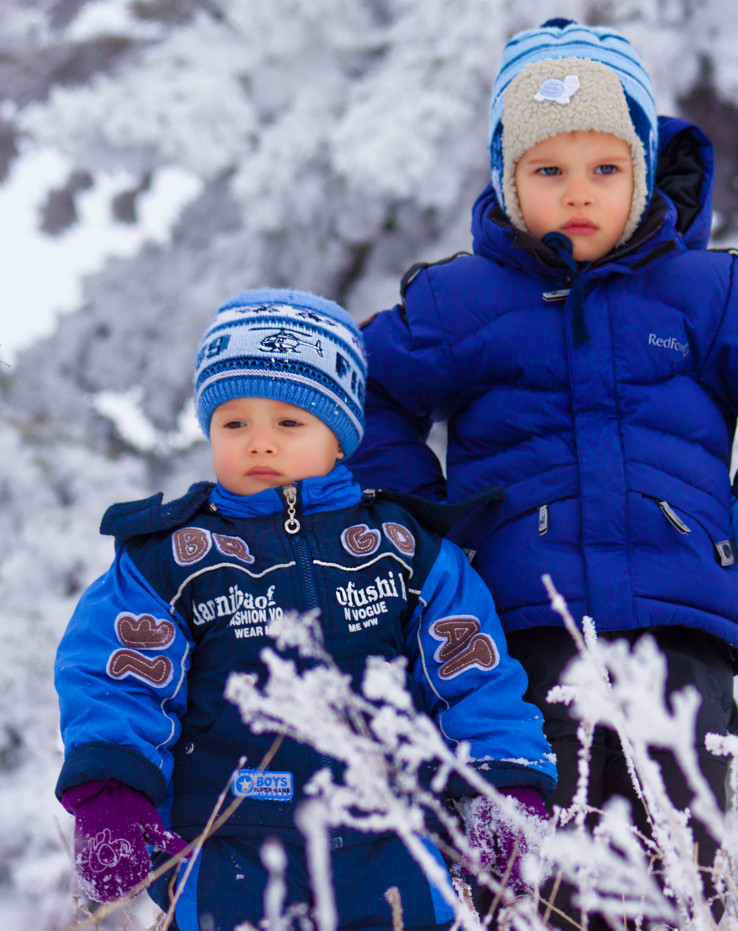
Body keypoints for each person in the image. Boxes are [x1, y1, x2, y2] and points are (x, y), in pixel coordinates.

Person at [347, 20, 738, 925]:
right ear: (510, 180)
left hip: (681, 632)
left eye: (605, 168)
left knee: (684, 862)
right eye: (549, 171)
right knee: (534, 862)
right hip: (523, 634)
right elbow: (362, 396)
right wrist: (421, 518)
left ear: (639, 171)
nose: (578, 194)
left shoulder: (707, 294)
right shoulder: (460, 302)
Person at [54, 289, 556, 931]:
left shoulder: (405, 549)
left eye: (289, 422)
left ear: (339, 437)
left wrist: (501, 790)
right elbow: (118, 675)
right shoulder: (171, 557)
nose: (259, 443)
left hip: (394, 846)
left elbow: (472, 674)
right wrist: (111, 795)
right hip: (226, 850)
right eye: (235, 423)